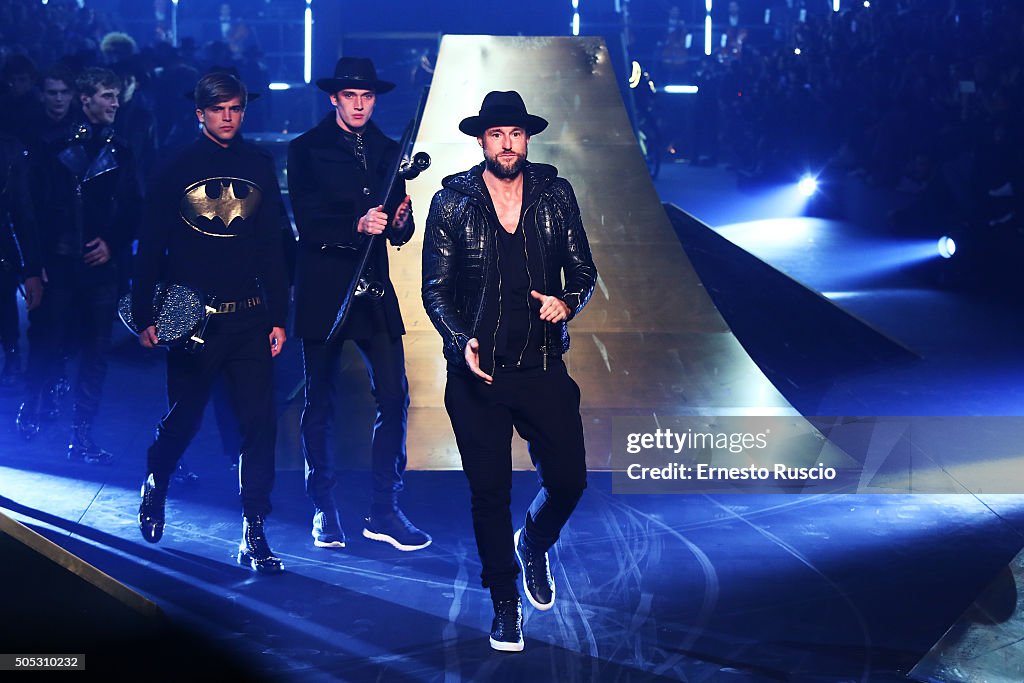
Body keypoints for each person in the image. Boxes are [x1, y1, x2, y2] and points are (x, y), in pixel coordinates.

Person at [421, 91, 597, 651]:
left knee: (569, 479)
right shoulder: (452, 202)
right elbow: (436, 289)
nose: (507, 144)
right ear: (482, 140)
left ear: (527, 139)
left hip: (542, 365)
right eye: (496, 134)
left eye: (515, 134)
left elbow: (584, 270)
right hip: (479, 374)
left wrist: (567, 301)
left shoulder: (555, 193)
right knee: (489, 493)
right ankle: (505, 602)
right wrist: (458, 339)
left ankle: (536, 541)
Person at [132, 71, 289, 574]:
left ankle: (254, 528)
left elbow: (274, 245)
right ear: (199, 112)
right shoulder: (176, 165)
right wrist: (143, 312)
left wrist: (279, 315)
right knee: (183, 418)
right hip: (190, 318)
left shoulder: (259, 165)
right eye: (219, 108)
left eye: (236, 108)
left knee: (259, 425)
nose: (228, 116)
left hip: (249, 318)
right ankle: (157, 481)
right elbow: (151, 242)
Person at [287, 57, 430, 552]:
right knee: (318, 404)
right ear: (334, 98)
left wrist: (401, 222)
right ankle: (323, 509)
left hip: (373, 295)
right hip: (326, 293)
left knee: (394, 398)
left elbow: (400, 232)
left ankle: (384, 510)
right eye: (350, 96)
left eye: (367, 96)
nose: (359, 104)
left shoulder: (392, 150)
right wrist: (356, 226)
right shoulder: (304, 150)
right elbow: (306, 223)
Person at [17, 67, 141, 463]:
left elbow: (134, 206)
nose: (115, 103)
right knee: (48, 340)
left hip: (99, 266)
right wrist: (34, 265)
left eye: (117, 96)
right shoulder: (49, 147)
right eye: (107, 95)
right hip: (60, 262)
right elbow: (30, 209)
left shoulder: (121, 149)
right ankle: (33, 402)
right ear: (85, 99)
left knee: (96, 351)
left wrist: (113, 244)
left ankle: (82, 433)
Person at [0, 132, 43, 386]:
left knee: (4, 297)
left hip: (3, 242)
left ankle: (12, 355)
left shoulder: (9, 149)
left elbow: (22, 210)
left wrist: (32, 265)